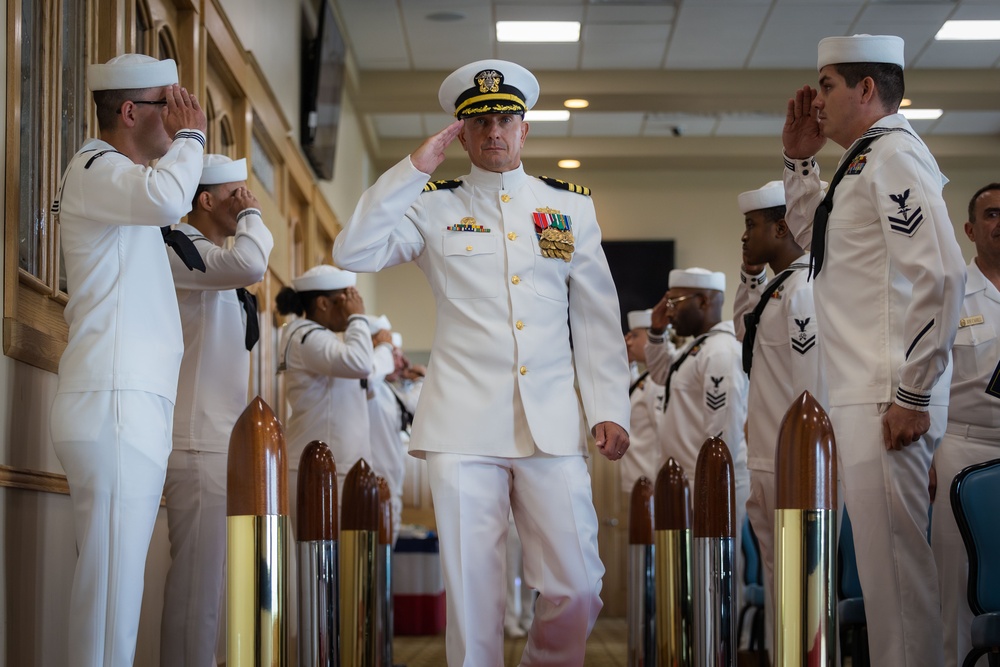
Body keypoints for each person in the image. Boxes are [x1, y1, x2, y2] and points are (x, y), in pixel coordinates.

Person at [332, 59, 631, 666]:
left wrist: (608, 407)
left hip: (549, 425)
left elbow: (597, 316)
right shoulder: (432, 206)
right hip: (463, 428)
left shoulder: (567, 209)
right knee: (475, 603)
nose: (494, 129)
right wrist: (415, 169)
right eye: (479, 121)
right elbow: (352, 247)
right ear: (462, 135)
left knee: (577, 587)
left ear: (525, 130)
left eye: (505, 118)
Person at [781, 34, 965, 665]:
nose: (816, 101)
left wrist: (914, 392)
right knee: (889, 583)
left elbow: (942, 275)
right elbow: (824, 249)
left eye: (828, 85)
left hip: (888, 398)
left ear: (866, 90)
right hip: (865, 395)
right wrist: (801, 165)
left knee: (899, 587)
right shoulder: (863, 161)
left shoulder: (892, 157)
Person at [49, 54, 206, 667]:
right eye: (171, 104)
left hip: (127, 399)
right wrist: (192, 139)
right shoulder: (99, 167)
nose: (182, 115)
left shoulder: (121, 182)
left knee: (116, 587)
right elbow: (170, 198)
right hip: (115, 400)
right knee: (112, 591)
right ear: (130, 111)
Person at [160, 154, 273, 667]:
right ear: (204, 200)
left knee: (213, 591)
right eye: (236, 195)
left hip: (219, 444)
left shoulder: (214, 259)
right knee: (197, 596)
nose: (245, 202)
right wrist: (253, 218)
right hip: (196, 438)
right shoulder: (180, 246)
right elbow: (251, 262)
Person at [732, 180, 823, 656]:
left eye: (752, 226)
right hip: (768, 455)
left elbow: (810, 388)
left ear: (782, 226)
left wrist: (801, 460)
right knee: (776, 583)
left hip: (794, 463)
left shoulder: (804, 288)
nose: (744, 236)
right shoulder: (776, 287)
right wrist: (749, 275)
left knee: (800, 590)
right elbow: (743, 330)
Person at [931, 182, 1000, 667]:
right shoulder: (952, 290)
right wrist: (930, 454)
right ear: (971, 230)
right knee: (958, 588)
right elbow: (925, 379)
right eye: (992, 214)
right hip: (962, 450)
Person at [645, 268, 750, 572]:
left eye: (675, 302)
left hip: (710, 483)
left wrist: (711, 488)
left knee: (717, 578)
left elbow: (723, 431)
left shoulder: (720, 351)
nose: (669, 311)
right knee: (693, 577)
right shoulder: (698, 347)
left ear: (704, 301)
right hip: (692, 482)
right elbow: (661, 373)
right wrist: (656, 331)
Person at [275, 265, 375, 505]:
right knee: (323, 543)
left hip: (334, 465)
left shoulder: (317, 336)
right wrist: (358, 318)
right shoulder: (308, 337)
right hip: (323, 467)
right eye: (346, 299)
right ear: (322, 303)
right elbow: (361, 363)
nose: (353, 306)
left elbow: (366, 383)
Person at [620, 308, 667, 497]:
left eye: (635, 335)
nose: (628, 340)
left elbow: (662, 433)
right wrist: (627, 361)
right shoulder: (648, 378)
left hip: (653, 483)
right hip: (640, 480)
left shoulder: (658, 382)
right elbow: (628, 392)